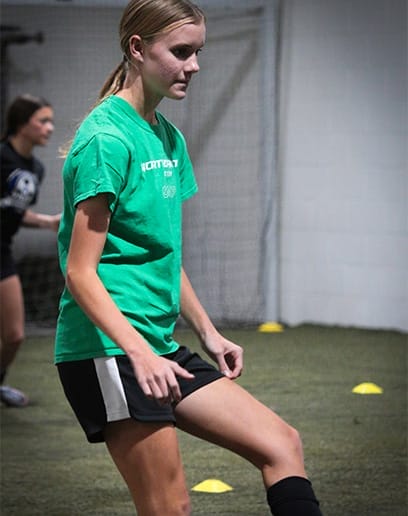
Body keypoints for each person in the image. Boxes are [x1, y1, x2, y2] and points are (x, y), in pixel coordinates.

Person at [55, 1, 323, 514]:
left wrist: (206, 330)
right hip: (108, 350)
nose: (194, 65)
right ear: (137, 48)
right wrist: (136, 352)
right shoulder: (105, 139)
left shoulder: (167, 137)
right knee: (169, 508)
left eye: (197, 52)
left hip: (156, 345)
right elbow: (79, 272)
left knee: (281, 445)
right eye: (181, 52)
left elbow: (164, 254)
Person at [0, 94, 60, 408]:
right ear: (22, 124)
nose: (50, 128)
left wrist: (49, 222)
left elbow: (14, 212)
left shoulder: (35, 169)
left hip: (2, 253)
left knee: (14, 335)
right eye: (43, 121)